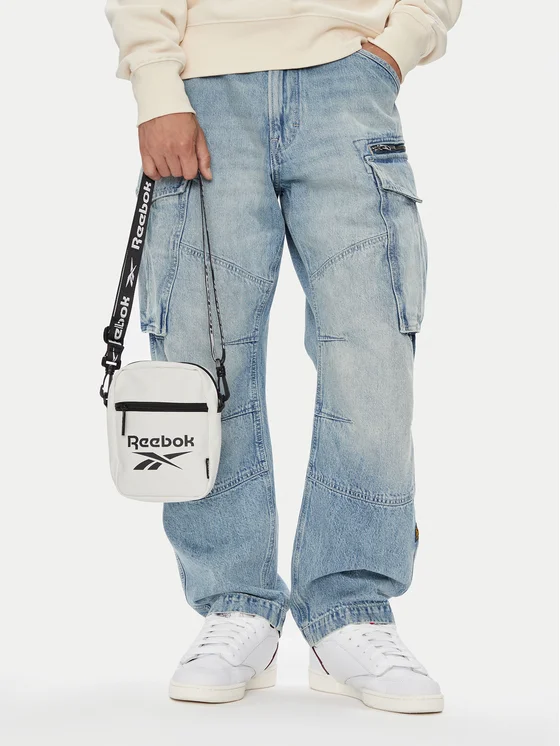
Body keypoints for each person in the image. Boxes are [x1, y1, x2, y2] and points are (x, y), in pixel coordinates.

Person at [105, 0, 461, 713]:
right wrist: (156, 81)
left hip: (349, 80)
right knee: (202, 361)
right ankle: (235, 604)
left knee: (372, 356)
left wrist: (398, 46)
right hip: (203, 87)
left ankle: (351, 612)